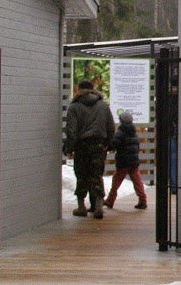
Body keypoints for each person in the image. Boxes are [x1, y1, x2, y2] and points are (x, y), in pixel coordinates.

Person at [63, 79, 115, 219]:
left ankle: (81, 207)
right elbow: (111, 127)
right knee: (96, 174)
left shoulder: (74, 107)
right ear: (93, 89)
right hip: (98, 145)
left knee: (81, 174)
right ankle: (98, 206)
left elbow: (71, 130)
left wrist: (69, 148)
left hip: (82, 145)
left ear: (79, 90)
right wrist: (108, 143)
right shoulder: (103, 105)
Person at [105, 110, 148, 210]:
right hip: (133, 162)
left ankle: (110, 201)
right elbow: (137, 146)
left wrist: (107, 147)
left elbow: (114, 144)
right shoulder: (134, 132)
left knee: (116, 182)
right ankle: (142, 200)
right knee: (137, 181)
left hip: (123, 162)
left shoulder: (120, 132)